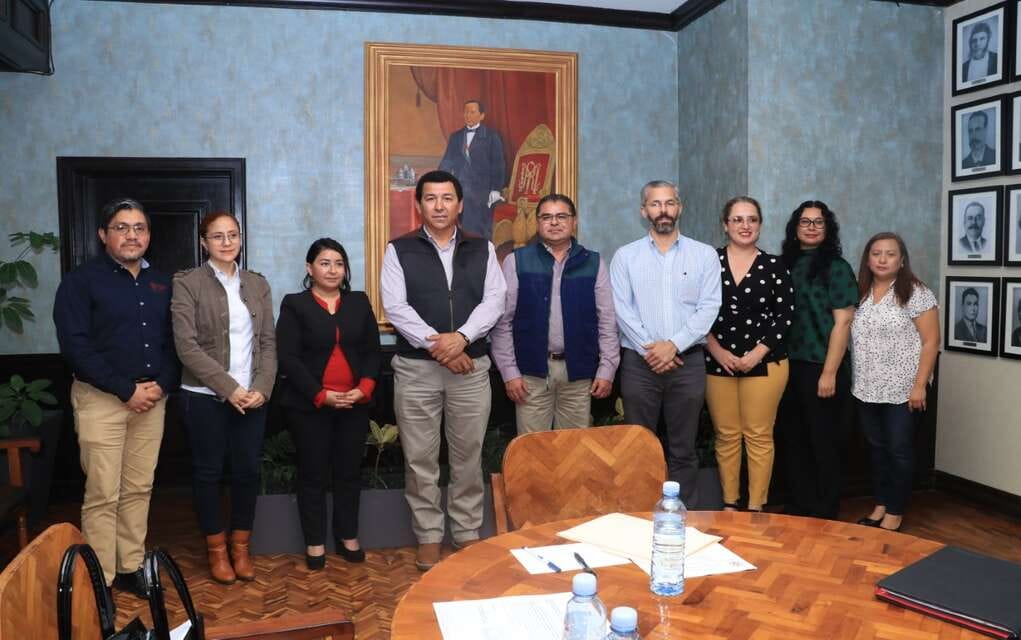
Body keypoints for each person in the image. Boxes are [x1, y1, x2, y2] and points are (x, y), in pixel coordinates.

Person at [381, 170, 506, 571]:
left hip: (471, 368)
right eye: (431, 199)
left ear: (460, 205)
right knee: (420, 459)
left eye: (447, 198)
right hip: (417, 370)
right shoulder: (398, 250)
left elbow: (495, 300)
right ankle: (429, 536)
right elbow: (396, 307)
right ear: (419, 205)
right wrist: (443, 347)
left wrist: (463, 338)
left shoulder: (482, 248)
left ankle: (467, 531)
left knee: (468, 455)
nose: (439, 206)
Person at [53, 197, 178, 598]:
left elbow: (176, 341)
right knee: (103, 493)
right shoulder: (80, 282)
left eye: (139, 228)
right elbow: (76, 347)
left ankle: (130, 566)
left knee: (139, 488)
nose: (131, 235)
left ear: (149, 236)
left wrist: (161, 385)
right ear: (103, 235)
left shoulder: (162, 283)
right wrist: (126, 390)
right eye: (121, 228)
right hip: (101, 399)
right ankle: (101, 578)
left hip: (152, 400)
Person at [171, 211, 276, 584]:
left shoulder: (257, 284)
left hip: (252, 398)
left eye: (233, 235)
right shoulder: (188, 284)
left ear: (241, 239)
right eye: (217, 236)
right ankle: (216, 550)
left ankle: (240, 548)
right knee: (208, 473)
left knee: (248, 472)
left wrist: (261, 388)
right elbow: (186, 347)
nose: (227, 242)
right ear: (204, 242)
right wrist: (229, 388)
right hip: (204, 397)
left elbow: (268, 342)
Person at [610, 180, 722, 506]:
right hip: (639, 364)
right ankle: (638, 514)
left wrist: (673, 345)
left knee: (683, 448)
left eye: (670, 203)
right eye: (655, 204)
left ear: (679, 207)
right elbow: (622, 309)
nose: (664, 210)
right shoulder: (625, 256)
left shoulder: (703, 255)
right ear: (644, 211)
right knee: (638, 446)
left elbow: (709, 307)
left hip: (688, 362)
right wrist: (652, 349)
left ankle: (683, 517)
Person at [276, 238, 381, 570]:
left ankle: (348, 536)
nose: (333, 270)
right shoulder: (295, 304)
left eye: (338, 263)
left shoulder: (359, 302)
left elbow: (372, 351)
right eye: (324, 263)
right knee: (313, 474)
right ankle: (315, 541)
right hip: (310, 406)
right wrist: (321, 395)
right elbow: (288, 358)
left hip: (354, 403)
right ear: (310, 268)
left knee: (349, 473)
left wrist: (364, 389)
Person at [490, 193, 619, 433]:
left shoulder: (593, 263)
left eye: (561, 216)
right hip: (530, 374)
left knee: (573, 448)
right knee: (532, 448)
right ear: (538, 223)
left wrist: (607, 369)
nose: (554, 222)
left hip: (578, 372)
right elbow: (503, 322)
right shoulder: (517, 261)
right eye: (546, 217)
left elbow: (607, 321)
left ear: (574, 221)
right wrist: (509, 372)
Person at [704, 197, 793, 513]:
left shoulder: (775, 265)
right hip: (717, 362)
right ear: (725, 224)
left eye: (752, 219)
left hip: (766, 362)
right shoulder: (708, 262)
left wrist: (757, 353)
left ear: (760, 225)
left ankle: (756, 507)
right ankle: (730, 504)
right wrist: (717, 351)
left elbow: (785, 316)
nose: (745, 225)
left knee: (758, 435)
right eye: (738, 219)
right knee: (726, 436)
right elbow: (696, 312)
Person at [851, 233, 939, 532]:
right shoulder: (860, 291)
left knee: (899, 449)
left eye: (890, 254)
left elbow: (931, 342)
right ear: (868, 259)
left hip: (904, 389)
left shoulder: (916, 292)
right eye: (876, 253)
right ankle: (881, 503)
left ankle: (895, 510)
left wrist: (920, 385)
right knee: (876, 449)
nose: (882, 259)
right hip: (866, 387)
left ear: (901, 260)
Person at [778, 200, 858, 520]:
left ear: (828, 228)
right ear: (795, 227)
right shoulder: (783, 265)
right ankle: (799, 504)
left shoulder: (836, 267)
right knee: (793, 438)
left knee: (823, 440)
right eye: (805, 221)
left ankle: (824, 508)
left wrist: (829, 372)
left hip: (822, 365)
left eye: (818, 222)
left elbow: (843, 322)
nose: (811, 227)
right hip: (786, 365)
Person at [438, 99, 506, 240]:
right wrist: (438, 180)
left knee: (478, 226)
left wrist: (496, 189)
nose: (468, 115)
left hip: (483, 189)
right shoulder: (456, 137)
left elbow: (498, 165)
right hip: (460, 187)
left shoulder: (491, 136)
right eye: (466, 112)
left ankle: (476, 246)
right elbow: (447, 162)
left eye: (472, 112)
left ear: (482, 116)